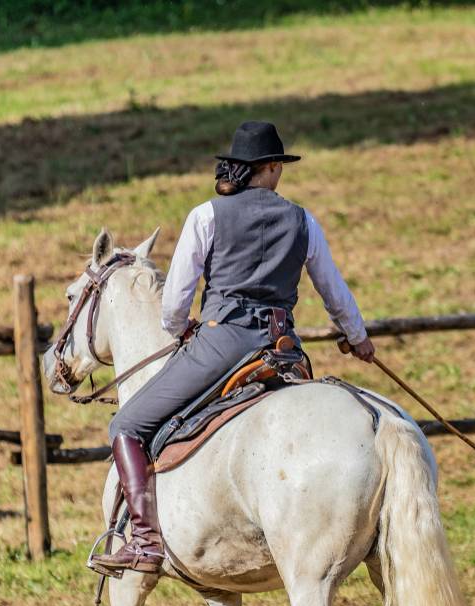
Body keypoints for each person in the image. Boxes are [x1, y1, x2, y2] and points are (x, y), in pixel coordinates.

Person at [91, 120, 376, 574]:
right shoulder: (304, 221)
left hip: (223, 343)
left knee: (126, 424)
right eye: (279, 166)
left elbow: (175, 303)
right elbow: (334, 292)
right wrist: (357, 339)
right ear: (269, 168)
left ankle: (144, 541)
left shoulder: (205, 216)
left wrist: (180, 327)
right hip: (282, 347)